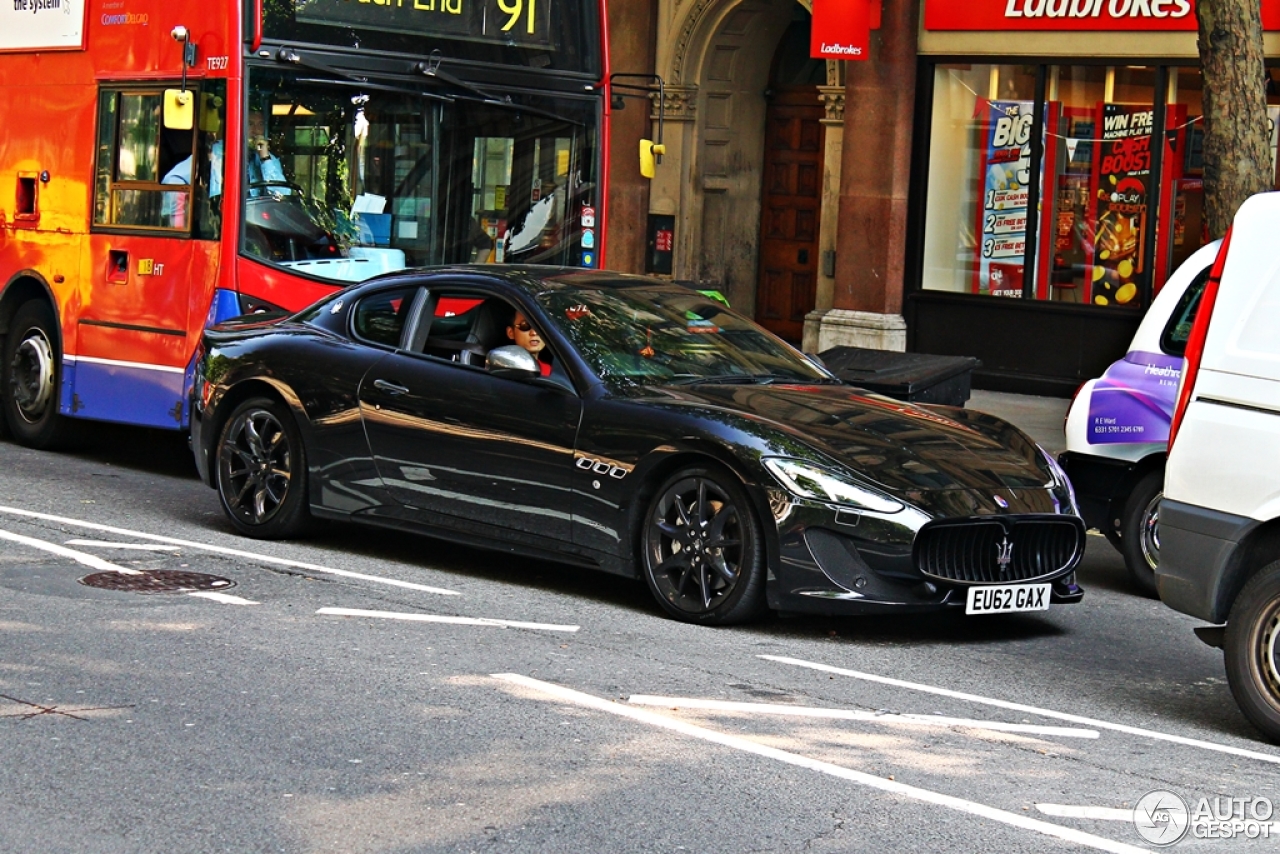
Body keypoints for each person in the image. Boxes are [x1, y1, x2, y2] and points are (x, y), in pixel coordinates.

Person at [246, 109, 289, 195]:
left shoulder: (269, 158)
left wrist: (264, 157)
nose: (256, 130)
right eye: (250, 124)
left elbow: (283, 193)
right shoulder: (225, 152)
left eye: (260, 124)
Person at [507, 310, 553, 377]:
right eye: (525, 325)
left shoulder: (552, 373)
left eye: (540, 327)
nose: (534, 333)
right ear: (511, 332)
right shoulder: (504, 368)